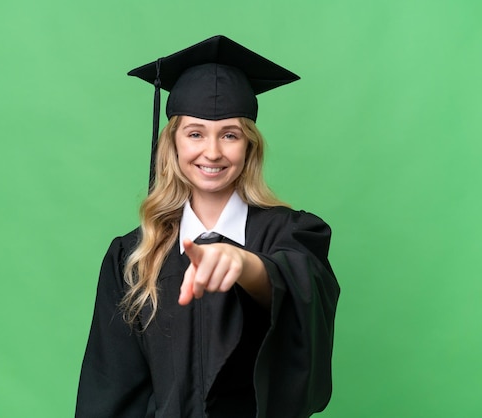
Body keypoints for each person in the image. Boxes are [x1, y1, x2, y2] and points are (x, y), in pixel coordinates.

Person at [76, 35, 340, 418]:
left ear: (249, 146)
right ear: (173, 145)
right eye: (195, 133)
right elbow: (112, 389)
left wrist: (248, 266)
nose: (212, 152)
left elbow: (304, 289)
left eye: (229, 135)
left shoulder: (290, 233)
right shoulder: (133, 257)